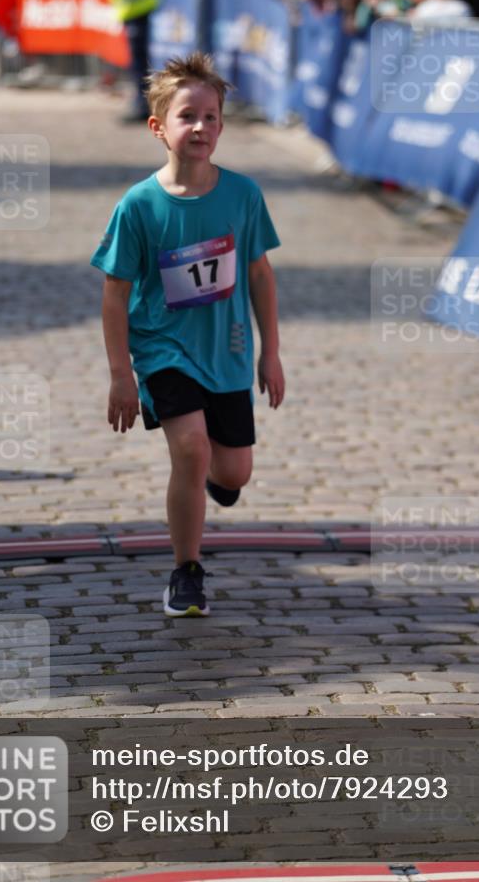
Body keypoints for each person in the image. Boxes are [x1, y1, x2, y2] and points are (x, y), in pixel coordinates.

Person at [90, 52, 285, 617]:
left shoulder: (243, 196)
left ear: (222, 125)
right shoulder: (139, 205)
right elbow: (115, 293)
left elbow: (258, 273)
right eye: (187, 117)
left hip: (226, 353)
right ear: (159, 127)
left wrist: (271, 352)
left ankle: (215, 487)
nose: (200, 127)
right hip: (162, 350)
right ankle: (187, 570)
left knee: (233, 471)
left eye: (212, 117)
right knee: (192, 449)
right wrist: (122, 374)